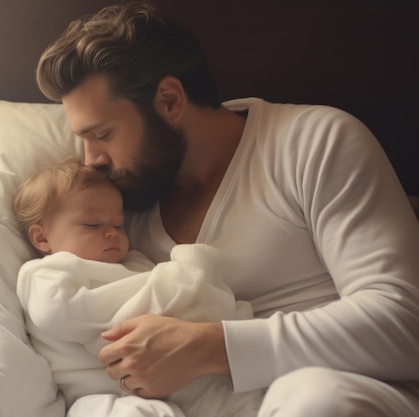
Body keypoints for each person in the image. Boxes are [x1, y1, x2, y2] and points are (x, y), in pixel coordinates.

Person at [34, 2, 419, 416]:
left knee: (315, 400)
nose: (92, 159)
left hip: (347, 390)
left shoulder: (313, 142)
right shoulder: (118, 209)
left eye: (103, 134)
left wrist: (210, 347)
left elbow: (405, 325)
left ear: (168, 100)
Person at [13, 159, 263, 417]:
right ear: (42, 238)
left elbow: (175, 304)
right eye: (92, 224)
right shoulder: (46, 273)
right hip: (104, 393)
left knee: (238, 399)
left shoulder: (134, 261)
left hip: (175, 373)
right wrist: (178, 279)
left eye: (118, 224)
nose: (112, 233)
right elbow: (59, 311)